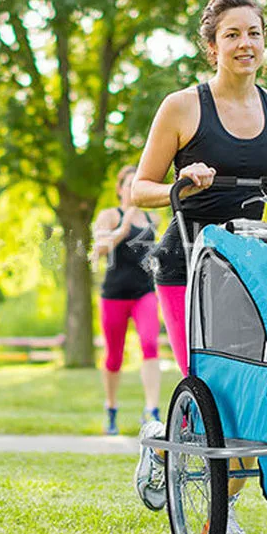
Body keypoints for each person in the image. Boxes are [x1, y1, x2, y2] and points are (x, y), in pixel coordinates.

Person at [131, 0, 267, 534]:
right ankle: (164, 450)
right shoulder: (182, 106)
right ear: (212, 46)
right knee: (210, 385)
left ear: (265, 42)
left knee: (254, 385)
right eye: (233, 34)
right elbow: (142, 188)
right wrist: (182, 181)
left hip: (250, 265)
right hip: (186, 262)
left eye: (254, 33)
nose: (245, 43)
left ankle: (222, 497)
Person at [92, 165, 162, 437]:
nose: (133, 189)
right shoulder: (109, 215)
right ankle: (111, 409)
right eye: (129, 184)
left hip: (144, 292)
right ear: (120, 189)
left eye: (138, 183)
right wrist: (123, 227)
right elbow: (98, 250)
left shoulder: (152, 219)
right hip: (114, 295)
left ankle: (151, 410)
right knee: (114, 357)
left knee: (149, 344)